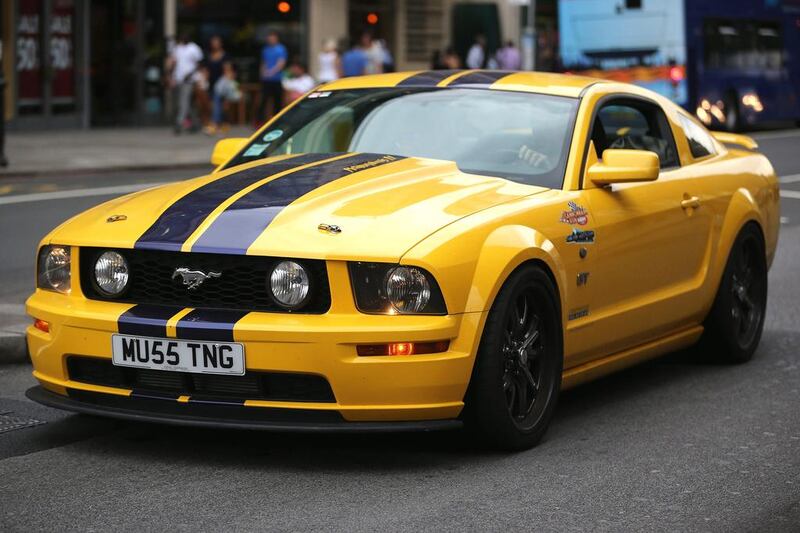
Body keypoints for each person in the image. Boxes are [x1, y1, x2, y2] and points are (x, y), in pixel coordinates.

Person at [168, 33, 203, 134]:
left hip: (189, 79)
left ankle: (178, 124)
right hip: (178, 79)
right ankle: (196, 123)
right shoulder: (178, 48)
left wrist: (191, 73)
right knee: (185, 103)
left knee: (183, 102)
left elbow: (199, 63)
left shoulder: (194, 48)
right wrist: (171, 76)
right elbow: (174, 63)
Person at [258, 30, 288, 123]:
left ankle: (276, 121)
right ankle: (260, 120)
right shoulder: (265, 49)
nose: (271, 40)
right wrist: (262, 73)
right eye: (269, 38)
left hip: (276, 79)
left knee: (277, 101)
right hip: (266, 80)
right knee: (263, 100)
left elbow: (281, 63)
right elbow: (264, 63)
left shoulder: (281, 49)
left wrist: (272, 72)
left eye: (272, 38)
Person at [206, 61, 241, 135]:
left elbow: (230, 90)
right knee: (217, 103)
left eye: (227, 69)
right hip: (220, 96)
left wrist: (226, 99)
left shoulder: (230, 77)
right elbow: (219, 88)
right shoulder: (224, 77)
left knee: (217, 103)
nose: (225, 70)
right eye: (224, 69)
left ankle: (215, 124)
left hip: (228, 97)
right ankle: (218, 124)